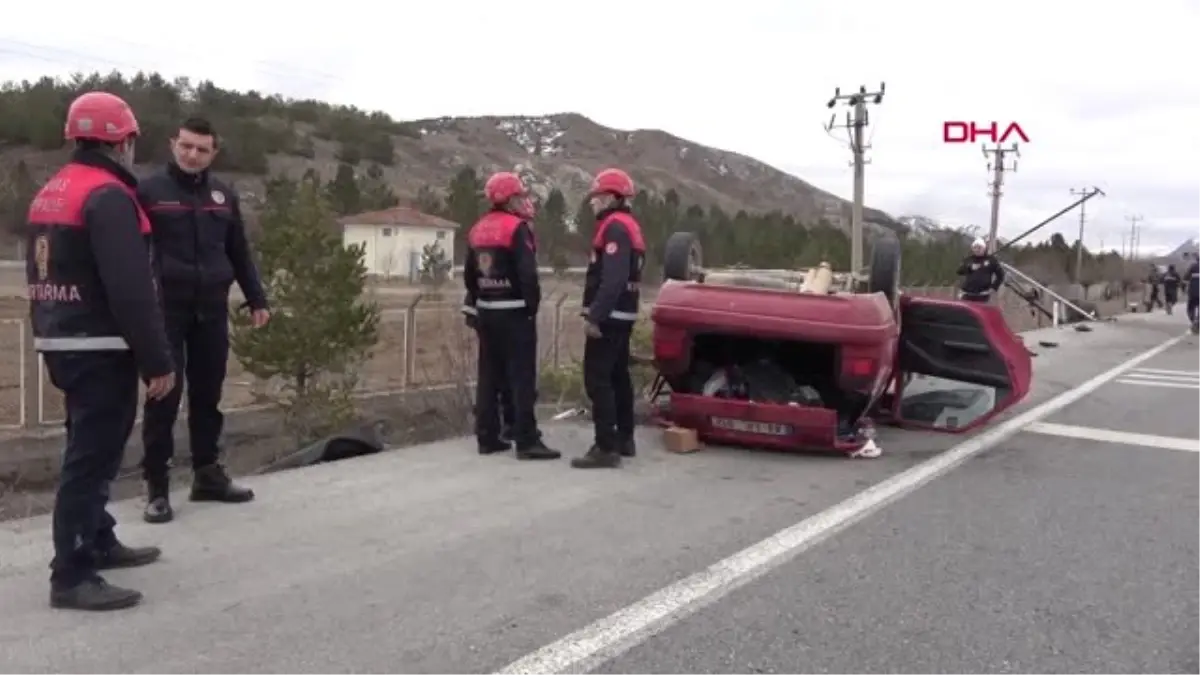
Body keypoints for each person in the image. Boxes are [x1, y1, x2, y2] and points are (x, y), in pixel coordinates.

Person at [29, 91, 176, 611]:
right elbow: (131, 288)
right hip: (101, 346)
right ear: (125, 140)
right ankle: (71, 572)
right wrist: (157, 359)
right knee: (91, 459)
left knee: (88, 447)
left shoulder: (55, 189)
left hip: (61, 340)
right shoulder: (110, 196)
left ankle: (99, 537)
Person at [137, 117, 269, 523]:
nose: (192, 154)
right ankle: (157, 488)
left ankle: (207, 474)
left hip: (211, 307)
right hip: (166, 310)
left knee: (208, 394)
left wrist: (256, 298)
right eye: (186, 146)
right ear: (173, 144)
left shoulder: (223, 195)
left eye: (202, 149)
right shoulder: (148, 192)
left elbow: (238, 250)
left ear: (214, 152)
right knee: (164, 397)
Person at [463, 171, 559, 460]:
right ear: (509, 198)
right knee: (521, 378)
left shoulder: (477, 229)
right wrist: (531, 306)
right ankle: (527, 440)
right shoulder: (517, 228)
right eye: (519, 195)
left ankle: (488, 437)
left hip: (486, 312)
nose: (523, 200)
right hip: (515, 312)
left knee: (489, 377)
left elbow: (470, 275)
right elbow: (527, 273)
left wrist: (481, 299)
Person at [571, 168, 646, 470]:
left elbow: (612, 279)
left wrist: (596, 316)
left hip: (611, 316)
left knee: (597, 378)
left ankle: (605, 447)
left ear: (613, 198)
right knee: (618, 376)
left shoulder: (614, 228)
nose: (592, 203)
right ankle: (624, 438)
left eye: (597, 197)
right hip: (625, 312)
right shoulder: (629, 226)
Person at [461, 292, 516, 448]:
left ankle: (489, 431)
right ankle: (507, 426)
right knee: (505, 373)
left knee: (491, 375)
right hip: (505, 310)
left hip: (485, 308)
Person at [956, 238, 1005, 303]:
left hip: (982, 295)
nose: (977, 250)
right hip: (967, 294)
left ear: (984, 248)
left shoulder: (991, 260)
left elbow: (1001, 275)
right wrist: (970, 268)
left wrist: (994, 287)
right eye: (975, 248)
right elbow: (959, 271)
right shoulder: (968, 260)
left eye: (979, 248)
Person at [1185, 257, 1200, 332]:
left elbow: (1186, 277)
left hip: (1193, 291)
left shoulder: (1193, 266)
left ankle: (1193, 320)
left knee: (1191, 308)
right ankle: (1198, 322)